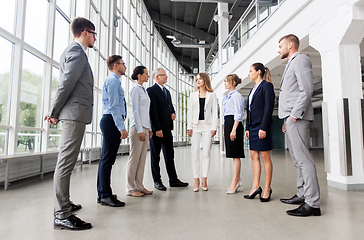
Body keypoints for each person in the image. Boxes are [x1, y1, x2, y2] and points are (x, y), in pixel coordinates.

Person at [44, 17, 95, 230]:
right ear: (85, 32)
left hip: (74, 113)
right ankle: (62, 214)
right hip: (73, 115)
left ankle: (65, 203)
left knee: (67, 163)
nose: (94, 38)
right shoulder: (76, 52)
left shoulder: (73, 52)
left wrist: (57, 111)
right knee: (65, 163)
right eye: (93, 33)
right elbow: (65, 84)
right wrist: (54, 111)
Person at [278, 34, 321, 216]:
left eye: (280, 46)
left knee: (304, 160)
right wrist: (287, 119)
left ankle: (313, 203)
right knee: (297, 159)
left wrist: (294, 115)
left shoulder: (300, 59)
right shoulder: (291, 63)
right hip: (290, 118)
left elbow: (307, 90)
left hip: (297, 117)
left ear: (291, 44)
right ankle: (303, 193)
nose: (278, 50)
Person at [147, 68, 189, 191]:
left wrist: (173, 113)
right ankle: (157, 180)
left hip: (167, 129)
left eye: (166, 74)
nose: (166, 77)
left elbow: (170, 107)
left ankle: (173, 179)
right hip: (158, 130)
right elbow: (152, 112)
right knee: (155, 156)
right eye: (164, 75)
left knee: (169, 155)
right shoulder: (151, 91)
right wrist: (157, 129)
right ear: (157, 77)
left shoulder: (167, 92)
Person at [97, 55, 128, 207]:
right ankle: (105, 195)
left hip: (110, 120)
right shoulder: (114, 81)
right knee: (108, 160)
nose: (125, 67)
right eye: (123, 64)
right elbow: (115, 106)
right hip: (111, 121)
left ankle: (102, 192)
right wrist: (121, 127)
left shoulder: (113, 80)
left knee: (105, 159)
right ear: (116, 65)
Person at [244, 63, 275, 202]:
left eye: (251, 71)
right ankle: (255, 186)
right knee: (253, 155)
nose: (249, 74)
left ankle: (267, 188)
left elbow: (268, 108)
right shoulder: (252, 89)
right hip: (253, 126)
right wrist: (247, 128)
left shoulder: (266, 86)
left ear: (259, 72)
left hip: (263, 126)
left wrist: (263, 127)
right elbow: (249, 111)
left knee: (265, 156)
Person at [126, 66, 154, 197]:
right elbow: (135, 111)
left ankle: (140, 186)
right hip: (137, 129)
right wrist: (140, 130)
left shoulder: (144, 90)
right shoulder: (135, 90)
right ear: (139, 75)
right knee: (134, 159)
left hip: (145, 127)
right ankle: (130, 189)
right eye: (146, 74)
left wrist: (149, 128)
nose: (148, 76)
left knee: (142, 159)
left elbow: (146, 112)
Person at [187, 73, 218, 192]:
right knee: (195, 153)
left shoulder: (212, 95)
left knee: (206, 153)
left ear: (205, 80)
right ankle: (196, 179)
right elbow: (190, 112)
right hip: (195, 126)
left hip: (207, 126)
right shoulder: (192, 95)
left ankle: (204, 178)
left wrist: (214, 127)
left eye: (200, 79)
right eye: (196, 79)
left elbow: (215, 112)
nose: (198, 81)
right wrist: (189, 126)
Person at [222, 74, 245, 194]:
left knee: (236, 155)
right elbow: (225, 114)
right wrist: (224, 129)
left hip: (234, 124)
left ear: (233, 83)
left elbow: (238, 113)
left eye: (227, 81)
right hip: (228, 124)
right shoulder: (226, 97)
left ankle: (235, 181)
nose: (225, 83)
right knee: (232, 154)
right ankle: (239, 180)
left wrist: (234, 129)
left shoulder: (236, 96)